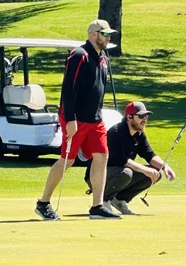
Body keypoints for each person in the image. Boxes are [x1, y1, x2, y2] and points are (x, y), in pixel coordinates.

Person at [34, 19, 121, 220]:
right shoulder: (79, 55)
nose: (108, 38)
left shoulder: (103, 57)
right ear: (93, 34)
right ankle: (43, 203)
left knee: (102, 156)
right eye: (105, 34)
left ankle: (97, 206)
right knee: (68, 160)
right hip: (75, 118)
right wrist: (71, 119)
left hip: (95, 119)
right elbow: (68, 89)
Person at [86, 101, 176, 215]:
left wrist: (165, 167)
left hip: (118, 173)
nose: (145, 120)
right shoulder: (117, 132)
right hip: (96, 176)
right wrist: (145, 170)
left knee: (156, 172)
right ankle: (103, 201)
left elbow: (149, 154)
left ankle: (119, 200)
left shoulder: (139, 134)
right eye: (141, 116)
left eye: (146, 116)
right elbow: (121, 160)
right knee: (126, 173)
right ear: (130, 117)